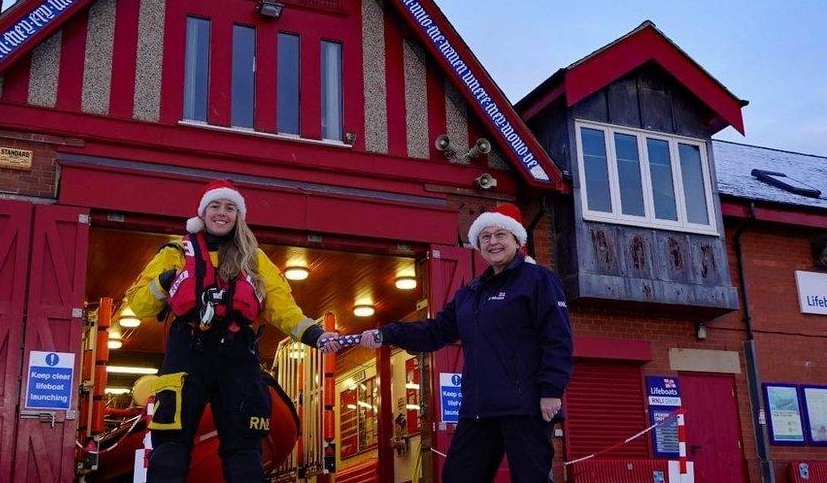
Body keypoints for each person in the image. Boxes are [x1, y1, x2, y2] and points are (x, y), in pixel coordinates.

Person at [125, 179, 340, 482]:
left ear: (238, 216)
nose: (222, 213)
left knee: (244, 451)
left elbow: (282, 307)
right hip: (187, 352)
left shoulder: (254, 260)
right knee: (170, 448)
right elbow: (138, 304)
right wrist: (164, 281)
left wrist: (316, 335)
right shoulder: (174, 254)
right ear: (202, 213)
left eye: (230, 208)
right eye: (215, 206)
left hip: (237, 353)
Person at [361, 204, 573, 483]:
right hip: (478, 407)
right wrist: (388, 333)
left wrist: (551, 390)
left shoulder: (538, 280)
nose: (493, 242)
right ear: (477, 244)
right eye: (485, 237)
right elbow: (437, 331)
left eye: (500, 234)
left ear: (517, 240)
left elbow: (557, 338)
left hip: (526, 405)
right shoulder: (470, 293)